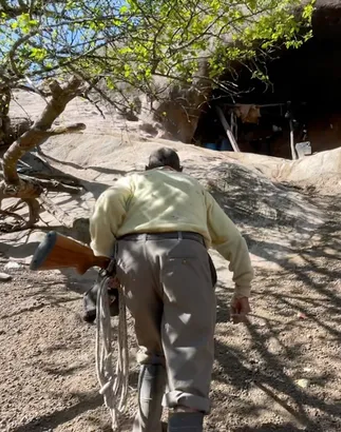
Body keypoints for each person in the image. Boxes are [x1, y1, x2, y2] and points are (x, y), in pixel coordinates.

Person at [89, 147, 254, 432]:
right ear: (178, 170)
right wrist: (242, 289)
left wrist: (105, 261)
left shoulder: (132, 181)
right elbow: (233, 239)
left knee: (152, 353)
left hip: (133, 258)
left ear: (148, 167)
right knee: (188, 354)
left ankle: (146, 428)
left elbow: (106, 203)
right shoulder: (193, 187)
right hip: (184, 255)